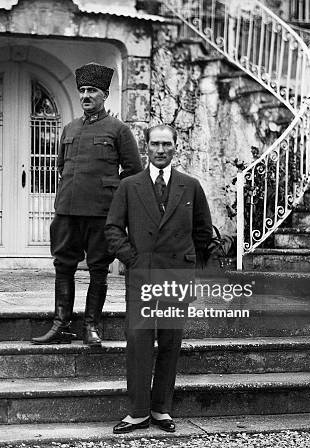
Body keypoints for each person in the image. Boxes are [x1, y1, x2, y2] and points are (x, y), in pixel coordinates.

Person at [105, 124, 212, 434]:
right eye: (155, 144)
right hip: (142, 276)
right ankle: (138, 412)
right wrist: (133, 260)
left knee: (169, 342)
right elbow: (112, 229)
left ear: (175, 147)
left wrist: (192, 269)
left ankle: (160, 409)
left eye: (167, 144)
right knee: (138, 342)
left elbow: (203, 233)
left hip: (176, 277)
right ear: (146, 147)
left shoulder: (190, 186)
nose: (161, 150)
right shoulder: (130, 185)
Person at [32, 62, 143, 347]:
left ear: (105, 94)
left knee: (98, 268)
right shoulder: (69, 129)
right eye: (82, 90)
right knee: (63, 265)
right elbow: (60, 167)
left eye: (92, 90)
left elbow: (133, 172)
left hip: (101, 213)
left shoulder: (118, 130)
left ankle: (92, 325)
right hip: (67, 211)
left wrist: (114, 199)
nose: (85, 96)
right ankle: (60, 323)